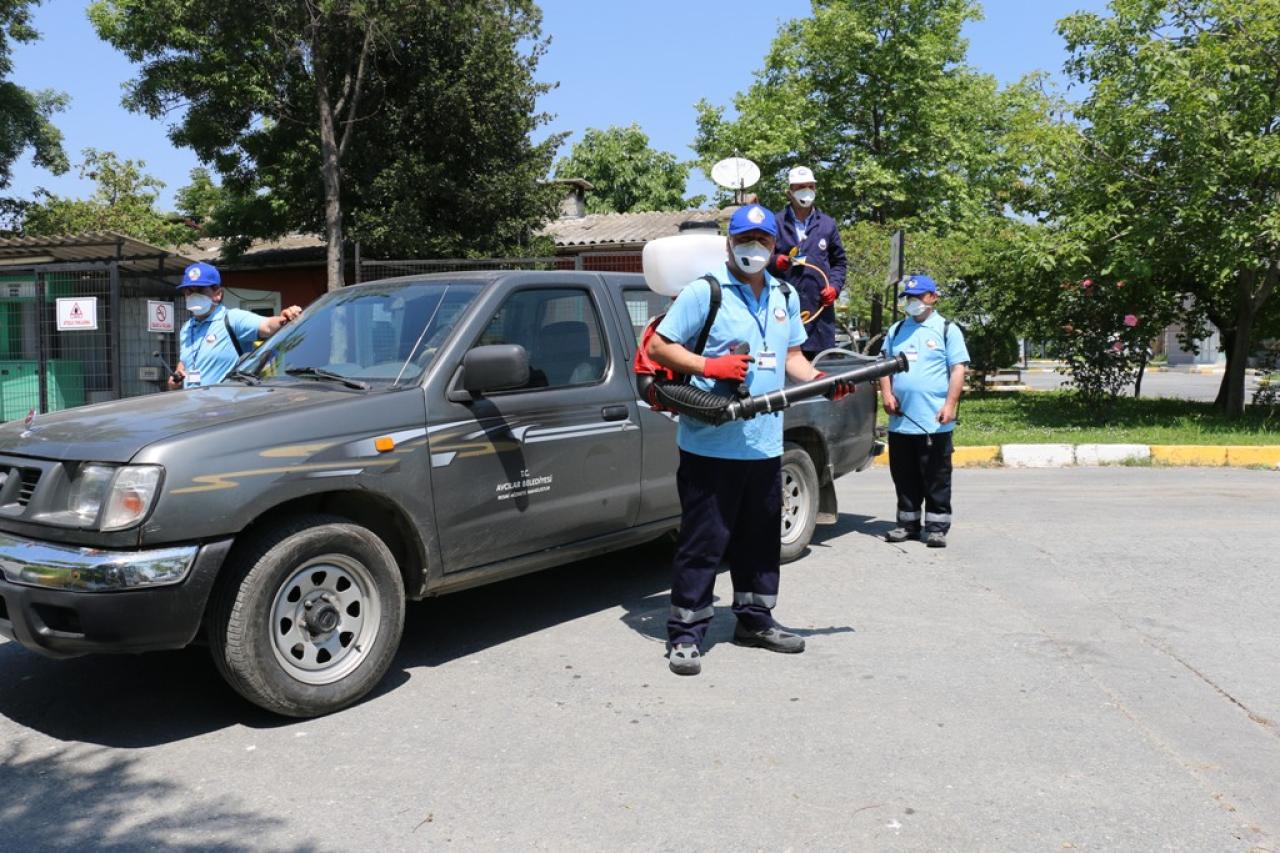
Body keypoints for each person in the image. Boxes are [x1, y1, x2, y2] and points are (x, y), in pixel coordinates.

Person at [646, 203, 855, 676]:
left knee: (760, 540)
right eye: (745, 239)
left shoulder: (784, 294)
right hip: (711, 444)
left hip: (764, 444)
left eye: (762, 241)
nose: (754, 248)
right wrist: (710, 366)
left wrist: (820, 380)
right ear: (729, 243)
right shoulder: (706, 291)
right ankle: (685, 634)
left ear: (774, 245)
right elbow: (660, 346)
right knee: (704, 542)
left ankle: (755, 621)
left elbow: (793, 356)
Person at [877, 275, 970, 548]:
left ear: (933, 297)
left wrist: (950, 405)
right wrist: (887, 394)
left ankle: (936, 527)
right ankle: (907, 524)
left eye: (918, 296)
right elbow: (884, 365)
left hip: (934, 421)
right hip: (901, 421)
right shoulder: (896, 330)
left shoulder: (947, 329)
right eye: (909, 297)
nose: (913, 302)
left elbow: (958, 369)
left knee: (936, 477)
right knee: (904, 477)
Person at [168, 262, 303, 390]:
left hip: (226, 404)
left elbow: (267, 326)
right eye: (188, 291)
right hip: (192, 403)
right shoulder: (186, 328)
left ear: (218, 294)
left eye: (200, 290)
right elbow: (185, 362)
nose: (193, 296)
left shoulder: (232, 319)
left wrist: (285, 318)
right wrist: (177, 376)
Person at [771, 165, 848, 360]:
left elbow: (839, 263)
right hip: (782, 312)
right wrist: (774, 261)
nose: (806, 190)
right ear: (789, 192)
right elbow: (762, 259)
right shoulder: (775, 223)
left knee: (818, 372)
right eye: (800, 187)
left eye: (810, 186)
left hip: (819, 318)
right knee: (786, 367)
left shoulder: (827, 224)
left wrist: (834, 287)